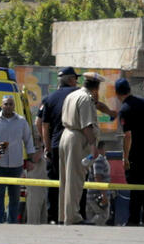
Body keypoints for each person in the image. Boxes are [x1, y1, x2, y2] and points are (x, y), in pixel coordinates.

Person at [59, 72, 104, 225]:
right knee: (75, 180)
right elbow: (86, 125)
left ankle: (64, 216)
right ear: (96, 87)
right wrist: (93, 146)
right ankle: (73, 217)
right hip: (77, 139)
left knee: (65, 180)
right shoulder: (86, 98)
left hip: (66, 135)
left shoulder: (72, 95)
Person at [116, 79, 144, 226]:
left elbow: (128, 136)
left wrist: (125, 158)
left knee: (135, 186)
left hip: (137, 153)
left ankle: (133, 219)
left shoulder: (124, 110)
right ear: (129, 90)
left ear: (117, 94)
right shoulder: (143, 102)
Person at [39, 67, 79, 223]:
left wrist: (47, 147)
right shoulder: (79, 95)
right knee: (76, 181)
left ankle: (54, 217)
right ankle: (75, 215)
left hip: (56, 145)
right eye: (76, 78)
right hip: (75, 145)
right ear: (71, 80)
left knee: (55, 182)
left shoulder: (49, 98)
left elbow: (43, 125)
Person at [0, 95, 35, 224]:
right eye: (6, 104)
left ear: (14, 106)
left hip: (16, 165)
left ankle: (12, 223)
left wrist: (30, 159)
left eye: (10, 104)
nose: (8, 106)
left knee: (15, 197)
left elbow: (28, 140)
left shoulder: (21, 121)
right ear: (1, 105)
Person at [85, 141, 111, 226]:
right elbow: (98, 177)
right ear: (102, 148)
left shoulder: (93, 158)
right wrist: (104, 195)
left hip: (92, 194)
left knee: (91, 217)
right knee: (103, 215)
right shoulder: (99, 159)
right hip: (97, 196)